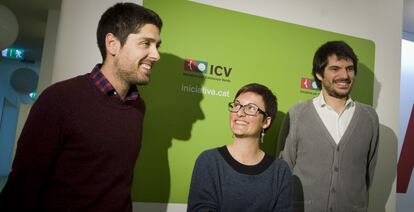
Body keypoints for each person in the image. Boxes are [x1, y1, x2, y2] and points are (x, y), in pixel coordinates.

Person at [0, 3, 162, 211]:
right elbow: (22, 189)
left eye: (157, 45)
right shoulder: (59, 99)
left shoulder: (137, 106)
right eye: (146, 43)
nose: (156, 55)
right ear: (112, 44)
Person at [279, 41, 379, 212]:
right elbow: (284, 169)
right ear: (319, 74)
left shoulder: (369, 118)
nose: (344, 75)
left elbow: (368, 173)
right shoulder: (297, 114)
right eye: (335, 69)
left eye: (349, 68)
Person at [187, 83, 292, 212]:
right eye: (237, 105)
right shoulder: (209, 161)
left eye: (251, 108)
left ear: (266, 122)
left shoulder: (280, 171)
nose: (240, 113)